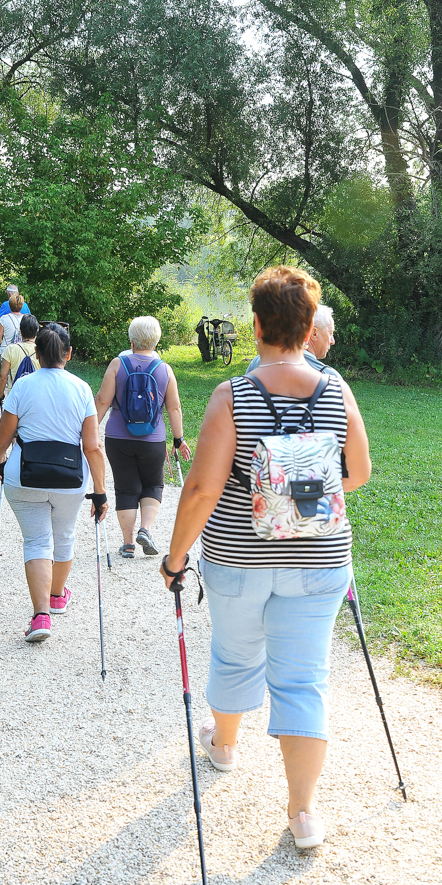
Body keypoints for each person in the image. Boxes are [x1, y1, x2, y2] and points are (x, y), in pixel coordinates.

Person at [160, 266, 371, 850]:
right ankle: (303, 814)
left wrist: (176, 559)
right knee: (304, 680)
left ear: (256, 326)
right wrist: (299, 490)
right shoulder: (337, 390)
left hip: (238, 560)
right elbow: (356, 474)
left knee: (233, 655)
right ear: (310, 327)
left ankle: (224, 746)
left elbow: (201, 489)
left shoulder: (233, 396)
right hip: (320, 559)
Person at [0, 323, 107, 643]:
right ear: (68, 354)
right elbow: (93, 447)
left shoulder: (23, 387)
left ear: (37, 354)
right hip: (70, 480)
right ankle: (57, 596)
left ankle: (41, 615)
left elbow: (1, 439)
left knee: (37, 541)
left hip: (24, 477)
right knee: (64, 534)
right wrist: (100, 492)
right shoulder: (82, 388)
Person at [94, 316, 191, 559]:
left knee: (126, 488)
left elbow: (103, 400)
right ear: (156, 341)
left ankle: (128, 544)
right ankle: (145, 529)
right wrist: (178, 439)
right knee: (153, 484)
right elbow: (174, 408)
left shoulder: (118, 364)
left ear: (131, 340)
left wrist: (90, 429)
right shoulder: (164, 370)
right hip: (153, 439)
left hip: (118, 437)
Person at [246, 303, 340, 377]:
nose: (332, 341)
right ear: (313, 333)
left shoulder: (257, 362)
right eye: (330, 333)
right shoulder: (328, 376)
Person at [0, 314, 40, 406]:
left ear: (20, 331)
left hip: (15, 397)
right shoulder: (41, 351)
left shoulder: (11, 349)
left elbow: (3, 377)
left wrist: (0, 396)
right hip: (36, 397)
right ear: (37, 331)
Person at [0, 293, 25, 361]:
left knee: (5, 371)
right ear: (22, 306)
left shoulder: (4, 319)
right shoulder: (26, 318)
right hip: (21, 351)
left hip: (6, 351)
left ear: (9, 305)